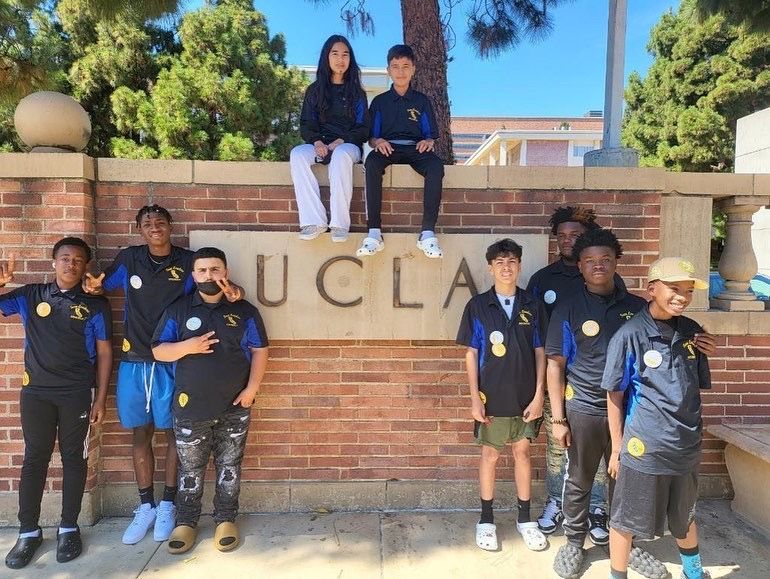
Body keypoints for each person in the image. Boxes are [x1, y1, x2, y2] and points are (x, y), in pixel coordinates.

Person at [546, 230, 717, 579]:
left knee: (624, 481)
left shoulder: (638, 307)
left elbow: (671, 335)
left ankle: (623, 544)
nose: (598, 266)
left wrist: (700, 340)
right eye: (590, 261)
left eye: (605, 259)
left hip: (634, 413)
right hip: (586, 407)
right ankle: (574, 541)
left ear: (616, 262)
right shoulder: (568, 306)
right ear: (580, 266)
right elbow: (555, 364)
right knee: (579, 478)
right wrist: (559, 419)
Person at [82, 205, 242, 545]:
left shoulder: (188, 261)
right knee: (140, 432)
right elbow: (101, 286)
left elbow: (216, 286)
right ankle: (146, 506)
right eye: (147, 223)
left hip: (173, 359)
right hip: (134, 360)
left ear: (170, 226)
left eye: (160, 222)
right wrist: (93, 286)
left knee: (173, 433)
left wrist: (235, 293)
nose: (154, 227)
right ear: (139, 229)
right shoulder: (129, 258)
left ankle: (169, 504)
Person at [1, 238, 112, 569]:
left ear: (85, 266)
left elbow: (105, 352)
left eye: (78, 260)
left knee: (74, 459)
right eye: (65, 258)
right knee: (34, 459)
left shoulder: (96, 305)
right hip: (36, 393)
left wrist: (100, 397)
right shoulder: (30, 295)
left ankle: (68, 528)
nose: (71, 264)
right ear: (54, 262)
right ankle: (28, 532)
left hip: (77, 393)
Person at [152, 247, 268, 555]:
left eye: (215, 269)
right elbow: (158, 350)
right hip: (190, 407)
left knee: (230, 466)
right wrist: (187, 346)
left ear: (225, 273)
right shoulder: (178, 310)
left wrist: (252, 389)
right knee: (190, 468)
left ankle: (226, 519)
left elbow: (260, 350)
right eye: (202, 270)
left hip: (235, 405)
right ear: (193, 276)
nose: (208, 275)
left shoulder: (245, 311)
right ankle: (186, 522)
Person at [603, 257, 712, 579]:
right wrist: (617, 447)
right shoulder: (630, 335)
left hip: (685, 445)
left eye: (688, 291)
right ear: (652, 289)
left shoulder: (693, 332)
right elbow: (614, 394)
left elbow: (691, 388)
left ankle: (693, 572)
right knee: (625, 519)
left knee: (684, 516)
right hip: (645, 447)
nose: (682, 297)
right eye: (674, 288)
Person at [457, 239, 549, 552]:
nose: (506, 267)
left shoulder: (533, 305)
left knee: (523, 454)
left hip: (525, 398)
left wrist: (539, 395)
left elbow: (540, 352)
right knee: (490, 456)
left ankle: (525, 519)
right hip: (491, 398)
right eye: (499, 262)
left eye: (511, 261)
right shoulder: (478, 306)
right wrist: (474, 398)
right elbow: (471, 353)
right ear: (490, 268)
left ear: (519, 266)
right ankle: (486, 520)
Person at [527, 206, 611, 543]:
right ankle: (556, 501)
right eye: (561, 235)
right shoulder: (542, 280)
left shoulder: (602, 276)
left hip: (595, 382)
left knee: (597, 450)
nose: (567, 240)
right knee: (556, 445)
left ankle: (597, 507)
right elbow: (533, 332)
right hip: (557, 379)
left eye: (575, 234)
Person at [358, 43, 445, 259]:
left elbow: (430, 136)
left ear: (413, 69)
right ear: (388, 70)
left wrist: (428, 142)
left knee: (435, 166)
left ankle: (427, 233)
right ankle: (374, 233)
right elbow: (371, 138)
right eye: (395, 67)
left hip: (415, 148)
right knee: (371, 163)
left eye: (406, 66)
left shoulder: (422, 101)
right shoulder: (380, 102)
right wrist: (378, 142)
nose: (400, 71)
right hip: (389, 148)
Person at [290, 34, 369, 243]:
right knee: (297, 154)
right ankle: (314, 221)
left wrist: (341, 141)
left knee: (341, 155)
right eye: (335, 54)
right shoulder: (315, 90)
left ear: (350, 59)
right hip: (320, 144)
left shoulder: (357, 93)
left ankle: (339, 224)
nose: (340, 59)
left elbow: (363, 128)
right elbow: (307, 123)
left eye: (345, 54)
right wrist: (317, 142)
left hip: (348, 146)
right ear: (327, 56)